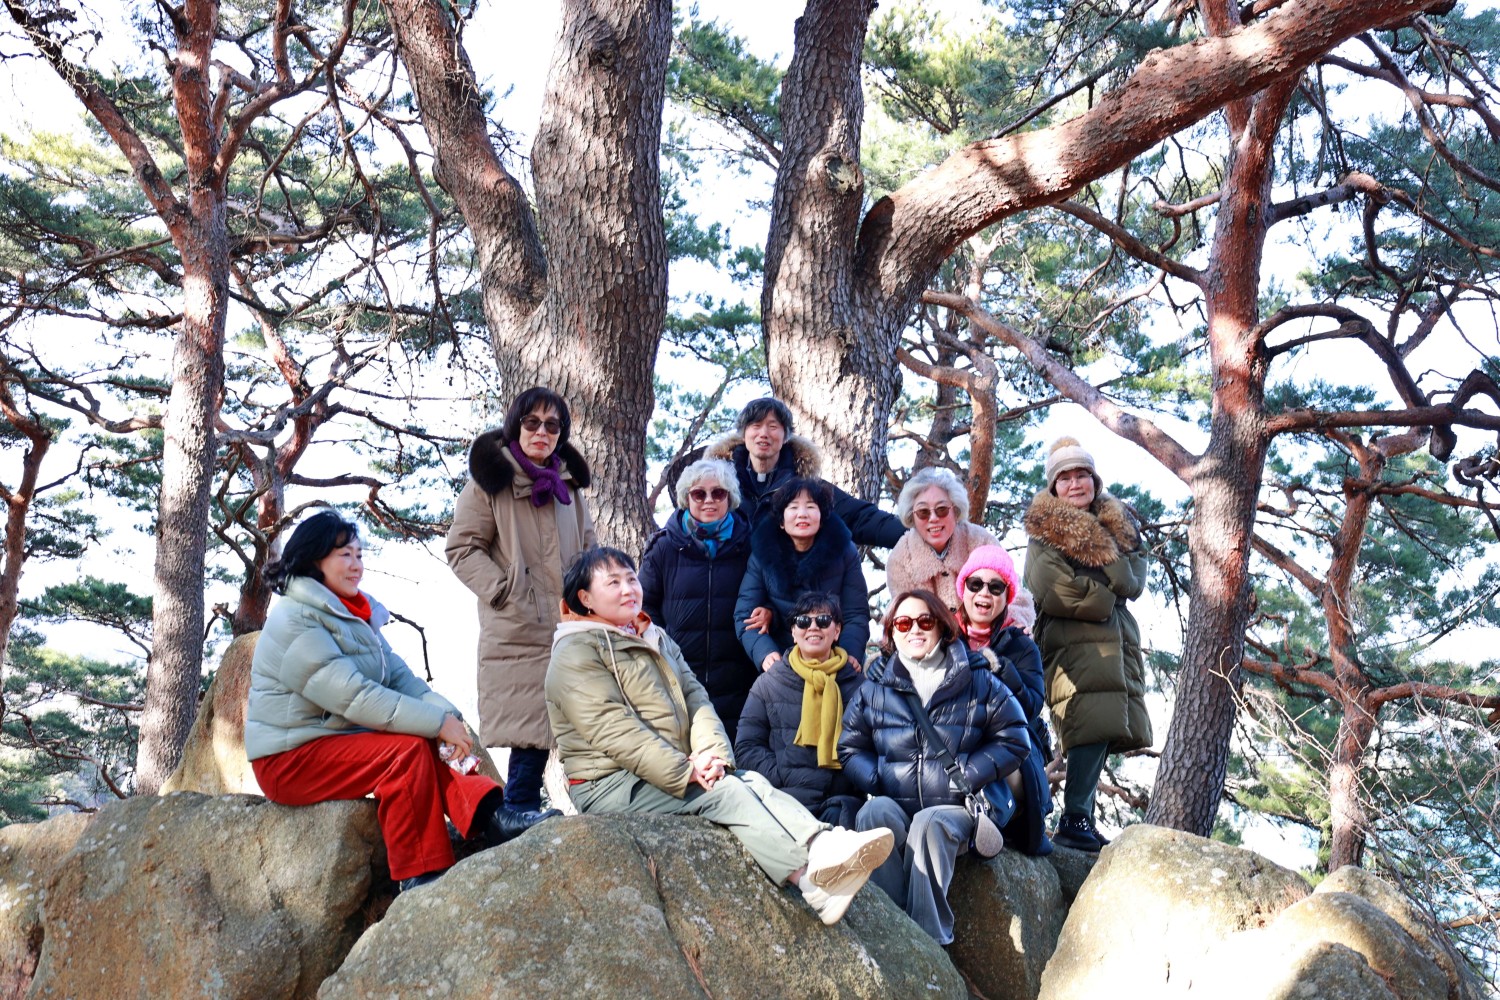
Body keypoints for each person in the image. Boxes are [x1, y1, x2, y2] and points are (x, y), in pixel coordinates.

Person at [545, 547, 896, 926]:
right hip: (608, 782)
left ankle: (822, 851)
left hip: (663, 769)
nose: (629, 588)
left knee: (749, 782)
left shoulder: (653, 636)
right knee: (725, 792)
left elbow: (695, 698)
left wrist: (712, 755)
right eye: (613, 582)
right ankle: (811, 877)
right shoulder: (575, 651)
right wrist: (686, 771)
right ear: (585, 598)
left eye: (631, 578)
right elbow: (614, 730)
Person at [246, 511, 557, 893]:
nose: (356, 565)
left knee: (425, 733)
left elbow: (399, 679)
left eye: (359, 555)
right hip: (288, 759)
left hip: (332, 741)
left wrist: (446, 718)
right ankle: (419, 875)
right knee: (404, 751)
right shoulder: (295, 620)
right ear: (314, 560)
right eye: (344, 555)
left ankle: (491, 816)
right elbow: (356, 697)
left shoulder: (351, 613)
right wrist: (435, 723)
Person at [839, 590, 1036, 945]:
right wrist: (878, 777)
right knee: (872, 812)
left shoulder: (976, 678)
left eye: (924, 621)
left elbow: (1016, 738)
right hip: (900, 804)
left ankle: (929, 942)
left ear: (942, 627)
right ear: (892, 632)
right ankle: (893, 933)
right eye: (903, 623)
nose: (914, 629)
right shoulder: (875, 688)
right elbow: (849, 747)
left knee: (929, 824)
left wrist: (968, 773)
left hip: (955, 809)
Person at [446, 386, 596, 816]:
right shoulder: (490, 484)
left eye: (552, 425)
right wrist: (504, 590)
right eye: (532, 422)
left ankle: (592, 817)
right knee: (529, 734)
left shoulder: (569, 487)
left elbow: (589, 548)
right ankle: (518, 816)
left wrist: (589, 599)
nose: (542, 432)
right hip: (518, 623)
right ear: (516, 426)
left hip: (569, 622)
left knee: (583, 725)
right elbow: (461, 548)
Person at [1023, 436, 1151, 852]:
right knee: (1086, 725)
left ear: (1095, 481)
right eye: (1065, 477)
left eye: (1082, 475)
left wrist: (1104, 562)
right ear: (1054, 486)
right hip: (1069, 640)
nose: (1075, 483)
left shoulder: (1119, 524)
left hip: (1116, 640)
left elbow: (1133, 579)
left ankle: (1082, 817)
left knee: (1103, 727)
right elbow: (1052, 588)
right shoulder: (1046, 531)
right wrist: (1105, 596)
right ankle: (1074, 817)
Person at [638, 458, 758, 741]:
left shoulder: (751, 545)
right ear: (686, 498)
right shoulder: (663, 547)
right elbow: (642, 605)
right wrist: (663, 647)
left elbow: (769, 595)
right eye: (699, 494)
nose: (709, 500)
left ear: (730, 498)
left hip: (739, 683)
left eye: (718, 493)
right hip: (678, 680)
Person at [699, 398, 905, 548]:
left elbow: (860, 518)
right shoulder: (717, 488)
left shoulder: (808, 488)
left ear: (785, 436)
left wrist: (915, 533)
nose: (764, 434)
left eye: (773, 426)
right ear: (743, 434)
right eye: (756, 426)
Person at [955, 545, 1055, 854]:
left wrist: (1002, 670)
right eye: (976, 584)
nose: (984, 593)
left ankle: (993, 817)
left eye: (995, 587)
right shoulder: (943, 636)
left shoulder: (1021, 645)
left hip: (1009, 751)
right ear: (963, 589)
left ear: (1007, 595)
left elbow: (1032, 707)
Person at [734, 592, 865, 828]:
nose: (813, 627)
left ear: (837, 631)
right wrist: (782, 776)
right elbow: (746, 748)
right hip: (783, 805)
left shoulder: (858, 686)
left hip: (839, 806)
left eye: (823, 620)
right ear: (793, 632)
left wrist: (842, 782)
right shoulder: (769, 683)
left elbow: (869, 749)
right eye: (803, 621)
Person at [735, 477, 871, 674]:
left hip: (833, 660)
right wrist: (765, 653)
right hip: (783, 661)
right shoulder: (763, 553)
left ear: (822, 518)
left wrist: (850, 654)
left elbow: (856, 613)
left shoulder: (844, 551)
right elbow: (744, 614)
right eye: (793, 507)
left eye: (811, 506)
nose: (802, 514)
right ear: (781, 521)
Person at [885, 467, 1035, 627]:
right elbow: (906, 616)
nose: (933, 518)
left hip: (987, 636)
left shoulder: (979, 540)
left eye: (942, 509)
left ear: (955, 511)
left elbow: (1016, 594)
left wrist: (1015, 625)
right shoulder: (900, 559)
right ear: (912, 516)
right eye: (923, 512)